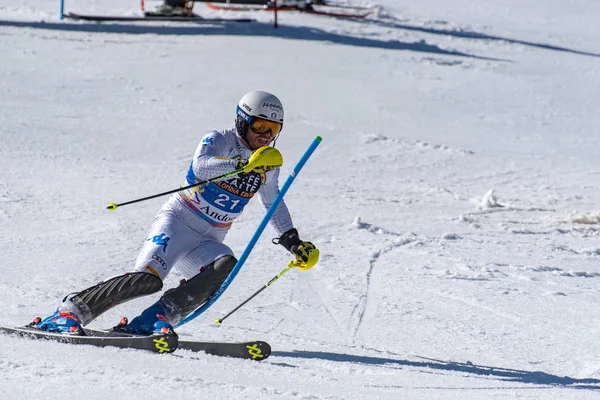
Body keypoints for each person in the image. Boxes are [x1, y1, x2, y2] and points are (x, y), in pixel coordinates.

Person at [33, 90, 319, 335]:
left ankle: (154, 319)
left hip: (209, 239)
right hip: (178, 222)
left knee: (225, 268)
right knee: (147, 280)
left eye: (273, 129)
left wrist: (293, 241)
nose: (266, 136)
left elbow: (273, 202)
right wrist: (241, 165)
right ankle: (71, 311)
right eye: (259, 126)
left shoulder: (269, 163)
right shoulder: (219, 139)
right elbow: (202, 166)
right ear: (242, 121)